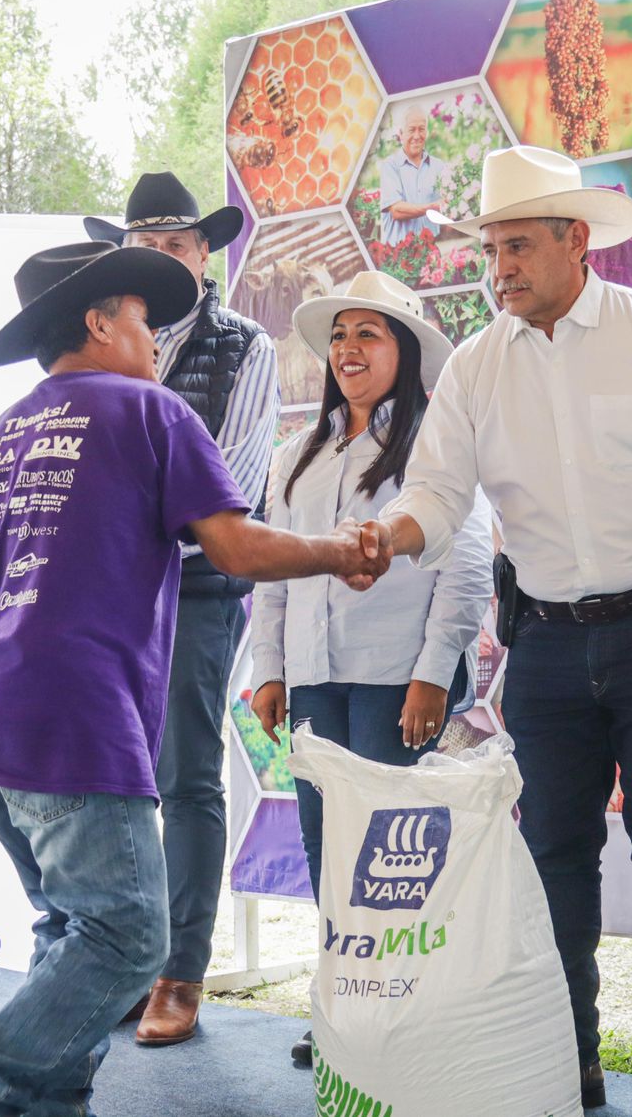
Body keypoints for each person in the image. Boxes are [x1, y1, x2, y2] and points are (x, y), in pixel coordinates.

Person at [0, 242, 388, 1117]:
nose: (156, 338)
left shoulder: (3, 432)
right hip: (71, 709)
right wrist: (340, 551)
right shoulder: (149, 408)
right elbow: (234, 547)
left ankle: (50, 1106)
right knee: (129, 936)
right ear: (99, 324)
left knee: (73, 928)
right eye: (140, 318)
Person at [366, 144, 632, 1115]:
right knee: (553, 849)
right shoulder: (474, 366)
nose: (499, 268)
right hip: (544, 643)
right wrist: (382, 536)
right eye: (491, 250)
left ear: (575, 240)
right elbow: (436, 493)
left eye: (517, 246)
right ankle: (570, 1056)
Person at [248, 269, 491, 1067]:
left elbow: (466, 568)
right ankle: (344, 1008)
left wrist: (433, 674)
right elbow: (276, 570)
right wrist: (271, 669)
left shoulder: (437, 446)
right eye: (340, 336)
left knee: (392, 854)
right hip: (316, 677)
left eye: (369, 334)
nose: (349, 349)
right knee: (327, 842)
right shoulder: (297, 453)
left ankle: (402, 1014)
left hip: (396, 677)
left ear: (407, 351)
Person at [84, 171, 279, 1045]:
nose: (160, 259)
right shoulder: (98, 340)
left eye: (175, 245)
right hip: (110, 589)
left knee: (186, 776)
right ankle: (127, 960)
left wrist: (131, 525)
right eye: (144, 248)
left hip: (198, 585)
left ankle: (180, 972)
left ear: (204, 255)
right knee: (111, 779)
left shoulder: (246, 346)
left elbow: (232, 484)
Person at [378, 104, 447, 246]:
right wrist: (433, 207)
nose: (417, 136)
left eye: (421, 129)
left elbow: (448, 205)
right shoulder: (390, 166)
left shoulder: (439, 167)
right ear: (401, 133)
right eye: (411, 130)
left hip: (430, 251)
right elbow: (397, 211)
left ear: (427, 132)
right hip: (398, 253)